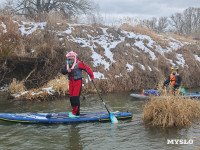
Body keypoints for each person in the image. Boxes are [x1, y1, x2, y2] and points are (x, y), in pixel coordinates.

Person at [61, 51, 94, 117]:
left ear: (74, 57)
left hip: (77, 82)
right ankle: (73, 111)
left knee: (75, 98)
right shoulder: (67, 64)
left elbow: (87, 69)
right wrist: (67, 70)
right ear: (68, 57)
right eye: (69, 56)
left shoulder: (79, 63)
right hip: (71, 82)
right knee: (71, 98)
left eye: (72, 56)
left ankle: (76, 113)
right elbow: (62, 71)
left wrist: (92, 76)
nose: (71, 58)